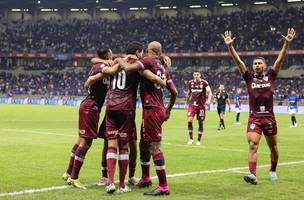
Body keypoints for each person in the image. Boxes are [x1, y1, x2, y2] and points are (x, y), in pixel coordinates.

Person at [86, 41, 167, 193]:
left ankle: (110, 182)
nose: (143, 55)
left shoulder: (117, 61)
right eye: (142, 52)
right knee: (124, 146)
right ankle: (122, 184)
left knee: (111, 144)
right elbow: (149, 71)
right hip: (126, 107)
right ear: (137, 52)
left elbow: (106, 71)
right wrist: (161, 76)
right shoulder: (138, 63)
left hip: (111, 105)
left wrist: (94, 76)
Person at [222, 28, 296, 184]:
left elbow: (280, 59)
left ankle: (273, 170)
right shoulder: (249, 78)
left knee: (273, 147)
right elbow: (239, 62)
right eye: (255, 63)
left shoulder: (271, 76)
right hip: (254, 117)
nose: (256, 65)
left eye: (259, 63)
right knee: (253, 144)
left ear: (264, 65)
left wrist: (287, 43)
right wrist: (230, 47)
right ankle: (253, 174)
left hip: (269, 117)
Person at [115, 41, 177, 196]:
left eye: (145, 51)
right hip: (158, 109)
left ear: (149, 51)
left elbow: (128, 67)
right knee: (144, 143)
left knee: (155, 147)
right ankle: (145, 178)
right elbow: (174, 92)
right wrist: (168, 110)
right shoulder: (163, 68)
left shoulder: (148, 60)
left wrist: (117, 59)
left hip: (152, 110)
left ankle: (163, 186)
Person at [62, 47, 120, 189]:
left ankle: (68, 173)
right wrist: (93, 78)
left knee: (80, 141)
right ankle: (74, 178)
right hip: (91, 107)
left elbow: (95, 62)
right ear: (108, 55)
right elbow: (105, 71)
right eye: (111, 53)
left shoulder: (100, 63)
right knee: (86, 143)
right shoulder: (101, 66)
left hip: (89, 107)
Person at [185, 70, 212, 145]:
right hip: (192, 105)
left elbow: (209, 92)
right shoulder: (190, 83)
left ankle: (198, 140)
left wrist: (208, 101)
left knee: (200, 122)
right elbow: (188, 93)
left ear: (200, 75)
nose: (196, 76)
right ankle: (190, 139)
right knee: (189, 120)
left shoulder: (204, 83)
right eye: (195, 75)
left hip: (201, 106)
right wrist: (186, 103)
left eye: (197, 75)